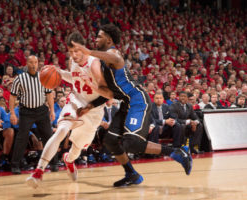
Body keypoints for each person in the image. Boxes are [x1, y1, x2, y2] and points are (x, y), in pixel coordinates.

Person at [72, 23, 192, 187]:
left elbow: (116, 59)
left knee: (132, 143)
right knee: (110, 140)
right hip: (126, 103)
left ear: (108, 39)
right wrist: (90, 106)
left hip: (138, 100)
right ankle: (132, 174)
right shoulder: (102, 63)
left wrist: (89, 52)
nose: (96, 39)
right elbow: (111, 92)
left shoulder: (113, 54)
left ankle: (177, 151)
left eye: (99, 36)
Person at [26, 32, 113, 189]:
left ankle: (69, 160)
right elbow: (74, 78)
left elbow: (108, 95)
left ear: (84, 48)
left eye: (76, 51)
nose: (73, 55)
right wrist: (59, 73)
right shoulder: (73, 62)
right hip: (75, 101)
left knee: (77, 148)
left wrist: (90, 106)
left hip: (93, 111)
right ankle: (38, 172)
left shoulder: (95, 65)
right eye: (70, 52)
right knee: (61, 131)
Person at [9, 55, 58, 174]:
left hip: (42, 110)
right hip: (26, 111)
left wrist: (52, 110)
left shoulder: (43, 77)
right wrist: (12, 113)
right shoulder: (20, 78)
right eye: (31, 62)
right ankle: (15, 165)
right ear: (27, 63)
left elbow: (49, 94)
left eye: (35, 62)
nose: (33, 64)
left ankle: (54, 163)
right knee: (22, 138)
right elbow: (12, 96)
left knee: (49, 137)